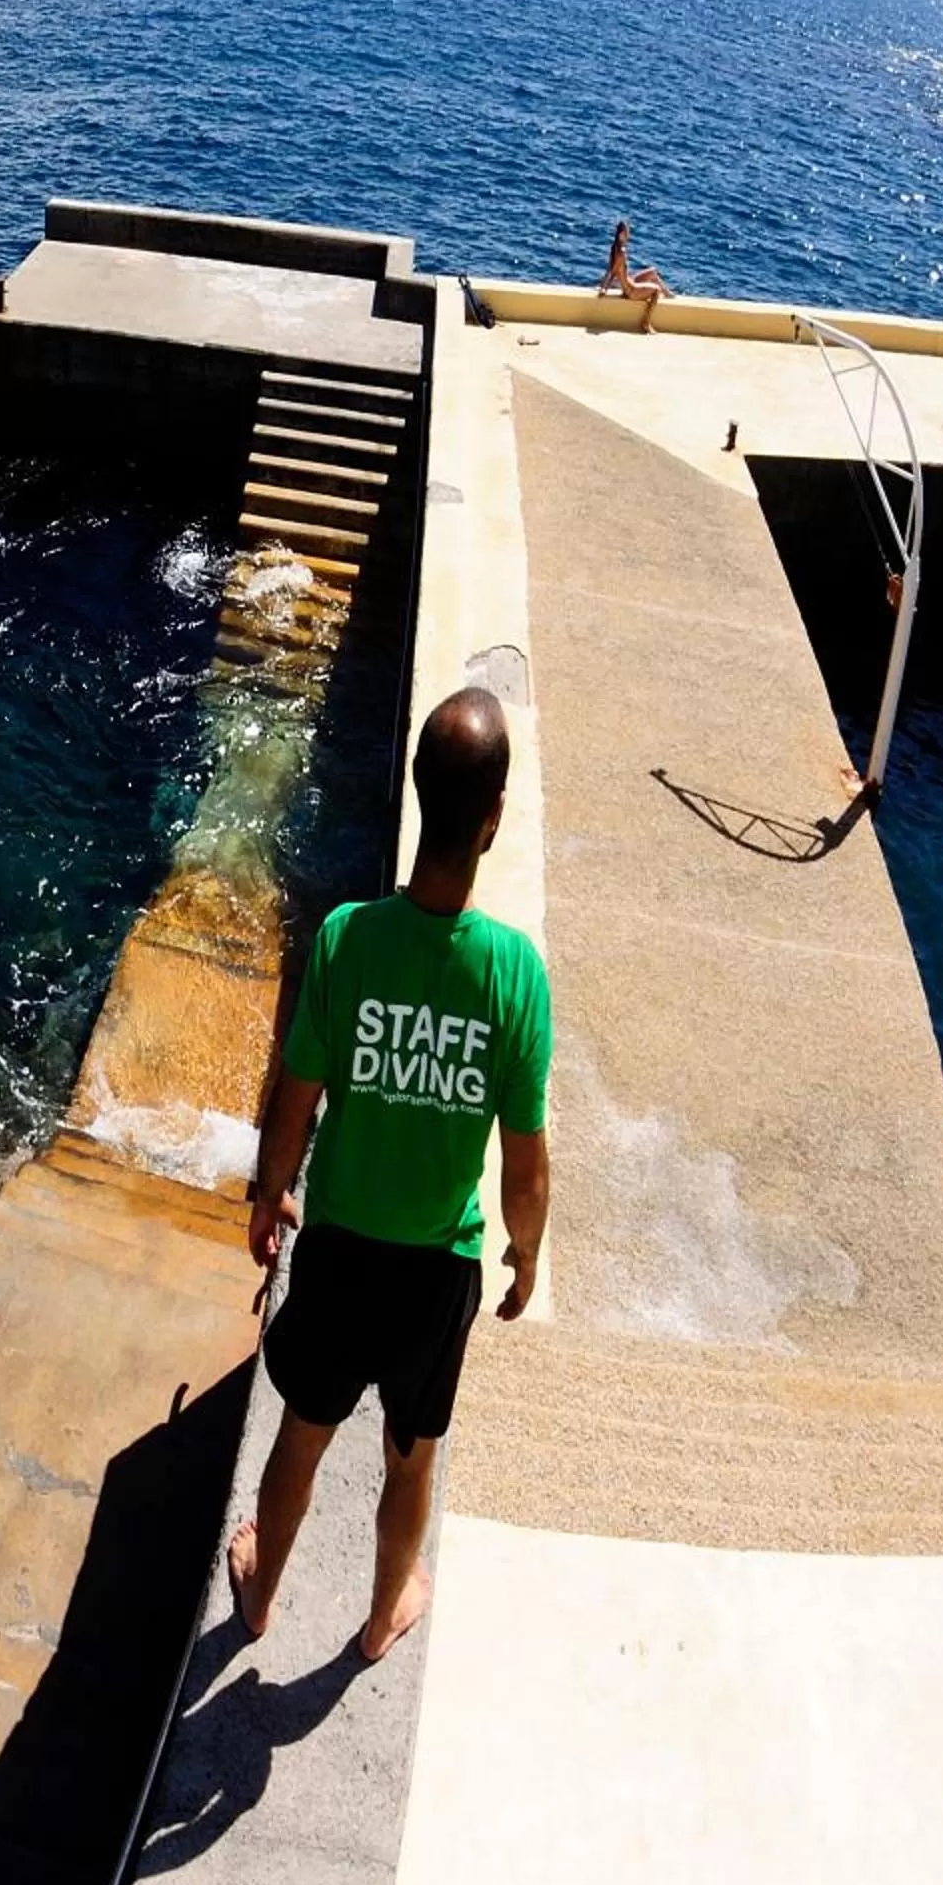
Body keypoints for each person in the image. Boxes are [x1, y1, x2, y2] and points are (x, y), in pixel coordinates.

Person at [228, 686, 552, 1662]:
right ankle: (379, 1619)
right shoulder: (515, 974)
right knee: (411, 1461)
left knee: (303, 1433)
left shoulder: (346, 938)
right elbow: (525, 1158)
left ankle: (259, 1596)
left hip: (338, 1255)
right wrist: (524, 1255)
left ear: (417, 793)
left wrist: (270, 1191)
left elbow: (297, 1098)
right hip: (436, 1274)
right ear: (493, 820)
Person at [597, 219, 672, 325]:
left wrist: (603, 286)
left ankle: (668, 294)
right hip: (631, 291)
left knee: (652, 271)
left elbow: (610, 269)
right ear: (622, 234)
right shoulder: (621, 252)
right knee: (656, 290)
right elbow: (613, 272)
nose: (628, 235)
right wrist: (604, 288)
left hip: (629, 283)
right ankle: (646, 323)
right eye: (627, 232)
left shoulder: (614, 248)